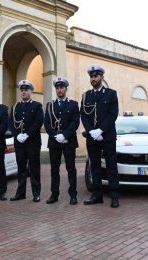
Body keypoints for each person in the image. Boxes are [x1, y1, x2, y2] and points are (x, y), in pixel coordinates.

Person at [80, 65, 120, 208]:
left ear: (102, 77)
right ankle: (97, 195)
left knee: (111, 166)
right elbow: (83, 114)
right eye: (91, 76)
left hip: (107, 136)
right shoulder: (86, 96)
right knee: (94, 166)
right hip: (92, 137)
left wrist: (101, 130)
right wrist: (91, 131)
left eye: (96, 76)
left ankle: (114, 196)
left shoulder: (111, 94)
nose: (93, 79)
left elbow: (113, 114)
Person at [44, 76, 80, 205]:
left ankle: (73, 195)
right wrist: (56, 136)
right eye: (57, 87)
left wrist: (64, 135)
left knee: (71, 168)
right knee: (54, 169)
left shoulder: (73, 104)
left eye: (61, 87)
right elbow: (47, 123)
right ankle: (54, 194)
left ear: (66, 89)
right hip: (54, 142)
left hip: (69, 141)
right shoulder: (50, 105)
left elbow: (75, 122)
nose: (59, 90)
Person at [9, 79, 44, 202]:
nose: (23, 92)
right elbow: (11, 123)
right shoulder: (15, 107)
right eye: (22, 90)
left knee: (34, 168)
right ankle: (21, 193)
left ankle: (36, 193)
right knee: (21, 168)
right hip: (19, 142)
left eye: (26, 90)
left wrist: (27, 134)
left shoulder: (37, 105)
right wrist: (17, 135)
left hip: (33, 142)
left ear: (31, 91)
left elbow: (38, 121)